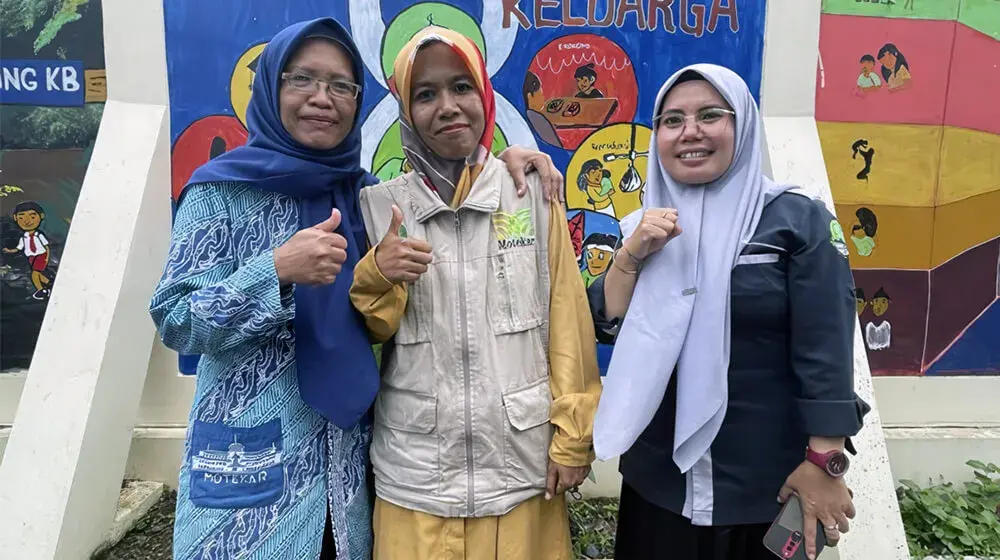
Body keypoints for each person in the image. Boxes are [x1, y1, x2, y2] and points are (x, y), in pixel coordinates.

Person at [149, 18, 565, 560]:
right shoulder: (221, 192)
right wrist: (274, 270)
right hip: (248, 472)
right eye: (302, 80)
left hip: (345, 472)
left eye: (341, 85)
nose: (323, 99)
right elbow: (175, 319)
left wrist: (509, 161)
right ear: (271, 88)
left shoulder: (365, 197)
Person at [586, 64, 870, 560]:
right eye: (672, 120)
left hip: (766, 483)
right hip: (659, 482)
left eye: (709, 115)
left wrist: (824, 460)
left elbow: (825, 347)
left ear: (742, 124)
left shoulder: (796, 220)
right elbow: (606, 322)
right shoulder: (645, 223)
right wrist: (631, 257)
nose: (689, 132)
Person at [348, 26, 602, 560]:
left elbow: (567, 323)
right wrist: (379, 274)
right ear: (406, 111)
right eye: (426, 94)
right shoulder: (376, 208)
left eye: (462, 86)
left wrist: (574, 434)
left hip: (519, 471)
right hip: (416, 477)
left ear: (484, 95)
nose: (448, 106)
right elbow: (365, 338)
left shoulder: (530, 192)